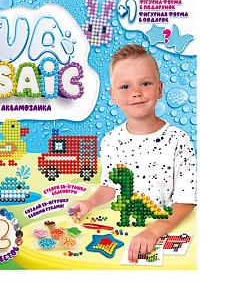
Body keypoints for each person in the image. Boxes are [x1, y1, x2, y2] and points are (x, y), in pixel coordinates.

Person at [71, 44, 196, 263]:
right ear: (113, 96)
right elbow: (110, 186)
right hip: (126, 231)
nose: (136, 92)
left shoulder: (178, 140)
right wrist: (89, 203)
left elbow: (187, 200)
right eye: (125, 86)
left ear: (159, 89)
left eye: (145, 83)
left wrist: (153, 231)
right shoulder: (111, 141)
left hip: (168, 229)